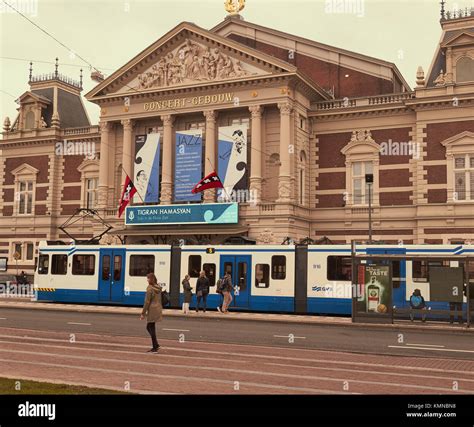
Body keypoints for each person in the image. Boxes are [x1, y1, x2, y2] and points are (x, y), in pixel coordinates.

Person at [140, 273, 163, 353]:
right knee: (151, 327)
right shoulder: (157, 287)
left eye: (148, 278)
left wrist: (143, 313)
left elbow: (147, 302)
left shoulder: (149, 288)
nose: (147, 279)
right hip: (158, 308)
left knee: (150, 327)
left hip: (152, 310)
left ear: (151, 279)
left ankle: (155, 346)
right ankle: (156, 345)